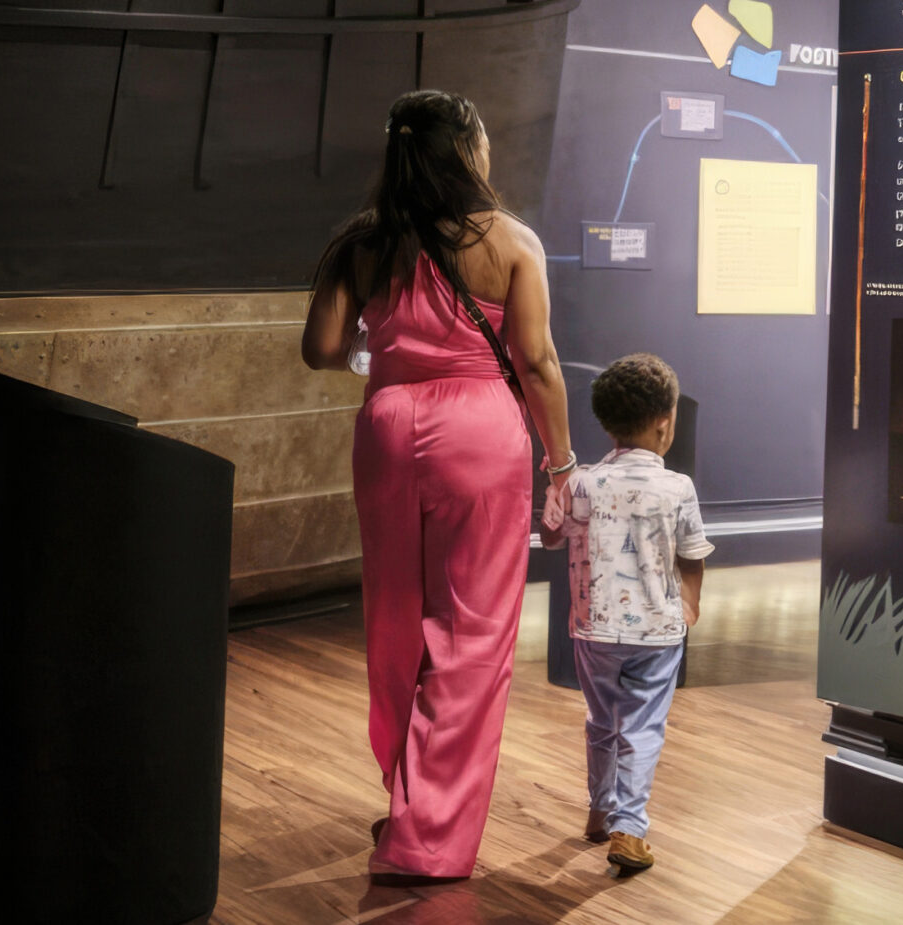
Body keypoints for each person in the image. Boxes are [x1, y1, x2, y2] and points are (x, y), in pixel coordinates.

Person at [300, 89, 575, 882]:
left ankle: (404, 792)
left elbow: (320, 347)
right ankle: (427, 836)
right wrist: (561, 463)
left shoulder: (363, 241)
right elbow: (539, 363)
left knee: (396, 616)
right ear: (467, 150)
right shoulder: (512, 241)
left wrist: (379, 356)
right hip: (482, 434)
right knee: (471, 633)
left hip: (387, 427)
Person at [543, 354, 712, 875]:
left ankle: (599, 810)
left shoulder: (585, 484)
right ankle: (630, 830)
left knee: (601, 721)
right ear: (666, 423)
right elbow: (693, 554)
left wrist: (558, 482)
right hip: (658, 633)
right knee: (642, 727)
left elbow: (551, 535)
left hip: (594, 630)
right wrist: (689, 606)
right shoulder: (678, 487)